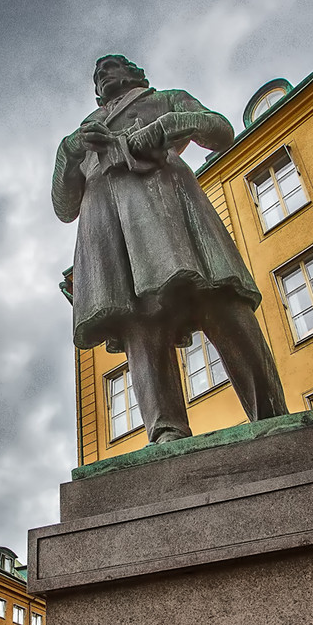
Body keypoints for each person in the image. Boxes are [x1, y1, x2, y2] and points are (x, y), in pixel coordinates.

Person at [53, 54, 288, 443]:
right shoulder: (84, 133)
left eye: (110, 67)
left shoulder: (165, 99)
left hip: (171, 210)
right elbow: (64, 207)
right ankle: (165, 429)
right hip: (110, 229)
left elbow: (220, 131)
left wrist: (167, 126)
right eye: (97, 74)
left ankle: (271, 413)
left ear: (134, 74)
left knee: (219, 298)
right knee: (138, 318)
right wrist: (70, 151)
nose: (102, 75)